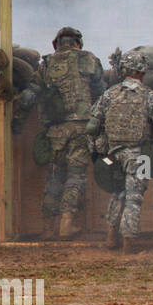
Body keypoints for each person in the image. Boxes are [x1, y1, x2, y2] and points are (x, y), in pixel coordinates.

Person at [86, 51, 153, 252]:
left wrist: (97, 153)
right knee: (135, 196)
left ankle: (111, 237)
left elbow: (91, 126)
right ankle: (129, 242)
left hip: (113, 154)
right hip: (141, 156)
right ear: (142, 72)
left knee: (117, 193)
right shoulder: (148, 95)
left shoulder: (109, 94)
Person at [37, 27, 105, 238]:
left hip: (55, 129)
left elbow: (34, 91)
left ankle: (48, 227)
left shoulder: (46, 64)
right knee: (76, 174)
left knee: (55, 175)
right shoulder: (88, 59)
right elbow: (101, 90)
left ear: (57, 44)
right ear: (77, 43)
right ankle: (66, 223)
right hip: (81, 127)